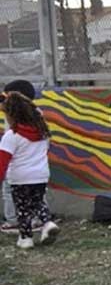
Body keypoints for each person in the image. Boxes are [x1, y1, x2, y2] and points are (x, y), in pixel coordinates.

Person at [0, 90, 59, 249]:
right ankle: (47, 222)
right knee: (37, 201)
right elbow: (45, 151)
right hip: (40, 174)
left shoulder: (11, 136)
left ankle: (26, 238)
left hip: (20, 176)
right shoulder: (42, 132)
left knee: (22, 208)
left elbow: (3, 161)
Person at [1, 79, 47, 235]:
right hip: (39, 169)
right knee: (37, 196)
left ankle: (14, 222)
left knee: (12, 193)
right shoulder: (37, 116)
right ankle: (40, 221)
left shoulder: (14, 118)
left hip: (18, 169)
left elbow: (4, 156)